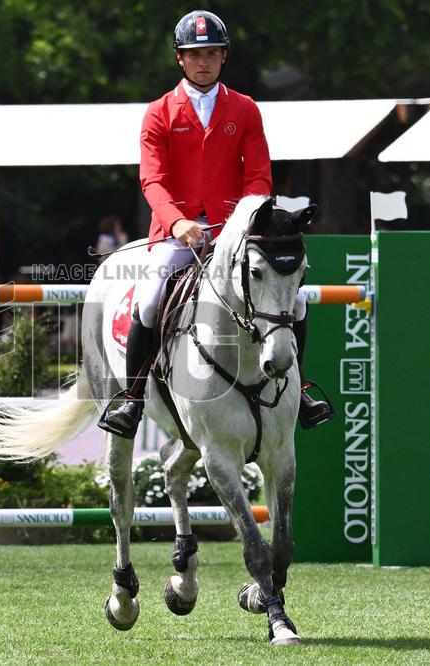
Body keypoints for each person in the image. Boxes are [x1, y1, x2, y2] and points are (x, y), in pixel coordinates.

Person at [98, 9, 334, 438]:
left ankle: (301, 391)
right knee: (149, 300)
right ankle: (132, 400)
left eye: (211, 53)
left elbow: (259, 176)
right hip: (178, 231)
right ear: (179, 59)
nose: (202, 61)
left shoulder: (244, 109)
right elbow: (152, 179)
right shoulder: (158, 113)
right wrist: (176, 223)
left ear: (224, 57)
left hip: (236, 229)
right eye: (194, 54)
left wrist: (242, 221)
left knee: (294, 302)